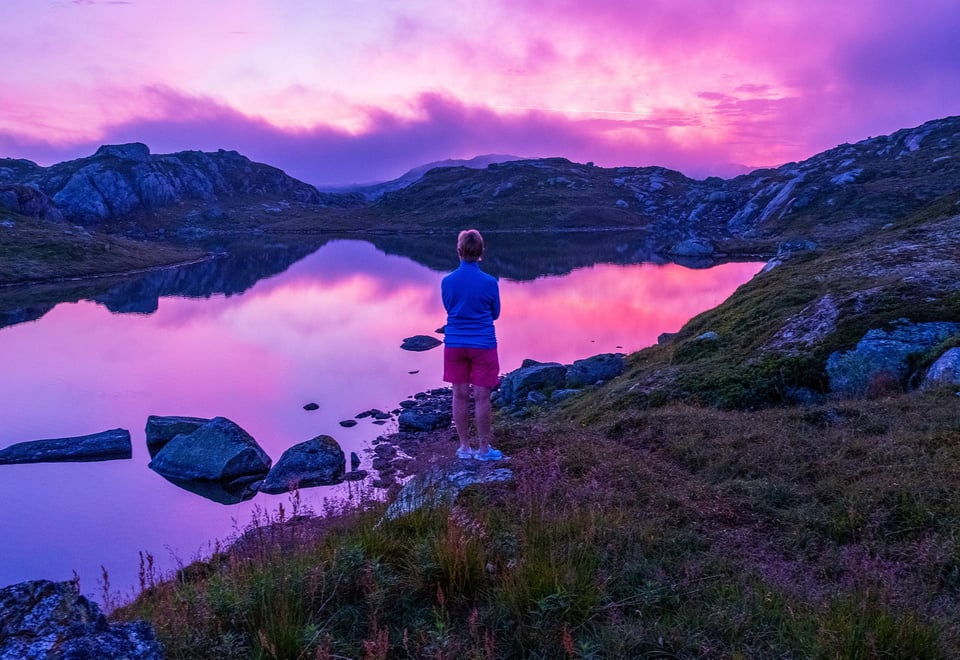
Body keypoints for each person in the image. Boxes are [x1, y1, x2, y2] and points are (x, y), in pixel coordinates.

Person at [441, 229, 504, 461]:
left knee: (458, 395)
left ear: (459, 251)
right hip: (483, 344)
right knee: (481, 397)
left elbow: (449, 308)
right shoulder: (490, 282)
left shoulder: (447, 282)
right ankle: (484, 449)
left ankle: (464, 448)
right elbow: (495, 313)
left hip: (455, 343)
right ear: (481, 252)